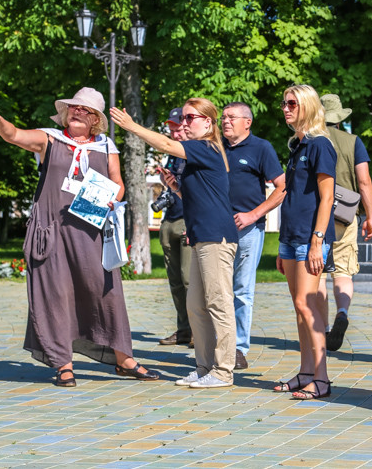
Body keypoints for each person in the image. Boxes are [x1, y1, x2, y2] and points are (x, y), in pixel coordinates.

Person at [0, 87, 160, 387]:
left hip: (90, 231)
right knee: (56, 295)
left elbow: (118, 184)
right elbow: (14, 135)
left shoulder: (105, 145)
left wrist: (113, 198)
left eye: (86, 110)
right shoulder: (50, 138)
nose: (78, 111)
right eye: (74, 107)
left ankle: (124, 359)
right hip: (52, 231)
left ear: (96, 120)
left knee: (107, 294)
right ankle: (63, 364)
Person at [111, 98, 239, 389]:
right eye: (183, 118)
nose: (184, 123)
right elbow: (198, 199)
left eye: (190, 117)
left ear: (208, 122)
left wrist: (132, 126)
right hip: (201, 237)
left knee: (218, 304)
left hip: (215, 238)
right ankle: (205, 366)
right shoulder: (199, 154)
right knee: (195, 306)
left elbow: (167, 145)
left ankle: (223, 371)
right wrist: (175, 188)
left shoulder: (205, 146)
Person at [273, 84, 337, 400]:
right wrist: (283, 245)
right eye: (284, 103)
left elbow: (327, 199)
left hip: (311, 238)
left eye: (292, 104)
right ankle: (305, 371)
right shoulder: (298, 146)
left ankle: (322, 379)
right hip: (291, 237)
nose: (286, 108)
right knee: (298, 308)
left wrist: (317, 242)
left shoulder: (320, 145)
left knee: (306, 304)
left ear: (308, 107)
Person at [222, 102, 286, 370]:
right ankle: (218, 346)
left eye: (231, 117)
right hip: (215, 230)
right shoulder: (215, 148)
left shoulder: (261, 148)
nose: (224, 121)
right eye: (223, 117)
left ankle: (238, 348)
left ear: (247, 122)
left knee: (241, 291)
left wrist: (253, 215)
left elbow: (282, 187)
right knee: (216, 292)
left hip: (248, 230)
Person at [315, 94, 372, 352]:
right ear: (341, 118)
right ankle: (342, 312)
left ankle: (322, 330)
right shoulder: (353, 142)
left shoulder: (309, 141)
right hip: (345, 215)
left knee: (317, 274)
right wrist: (370, 215)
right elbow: (364, 181)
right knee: (342, 272)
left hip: (315, 216)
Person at [157, 108, 194, 348]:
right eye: (171, 128)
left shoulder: (195, 152)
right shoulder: (172, 153)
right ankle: (183, 329)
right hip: (169, 219)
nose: (174, 132)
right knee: (175, 281)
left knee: (189, 279)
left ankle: (197, 331)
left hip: (188, 220)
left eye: (177, 127)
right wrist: (164, 179)